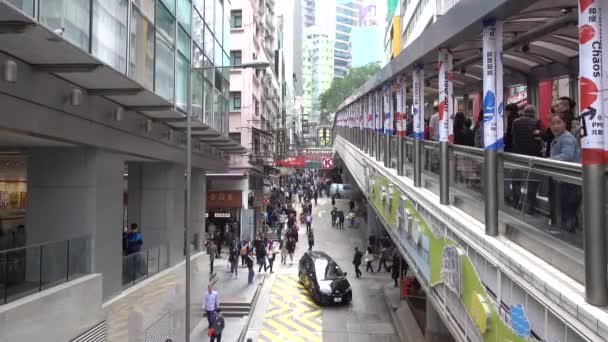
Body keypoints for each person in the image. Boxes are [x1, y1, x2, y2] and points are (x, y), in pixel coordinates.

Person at [548, 112, 581, 232]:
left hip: (569, 180)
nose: (555, 126)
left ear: (564, 124)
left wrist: (547, 161)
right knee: (567, 210)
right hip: (564, 179)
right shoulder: (560, 137)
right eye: (552, 124)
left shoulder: (566, 138)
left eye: (558, 123)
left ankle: (568, 237)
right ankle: (569, 234)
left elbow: (567, 155)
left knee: (568, 210)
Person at [511, 104, 543, 213]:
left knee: (516, 180)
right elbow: (539, 137)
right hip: (533, 156)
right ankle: (529, 207)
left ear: (524, 112)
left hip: (518, 155)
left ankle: (516, 204)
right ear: (534, 113)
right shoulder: (537, 122)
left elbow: (513, 139)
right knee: (532, 182)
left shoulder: (515, 122)